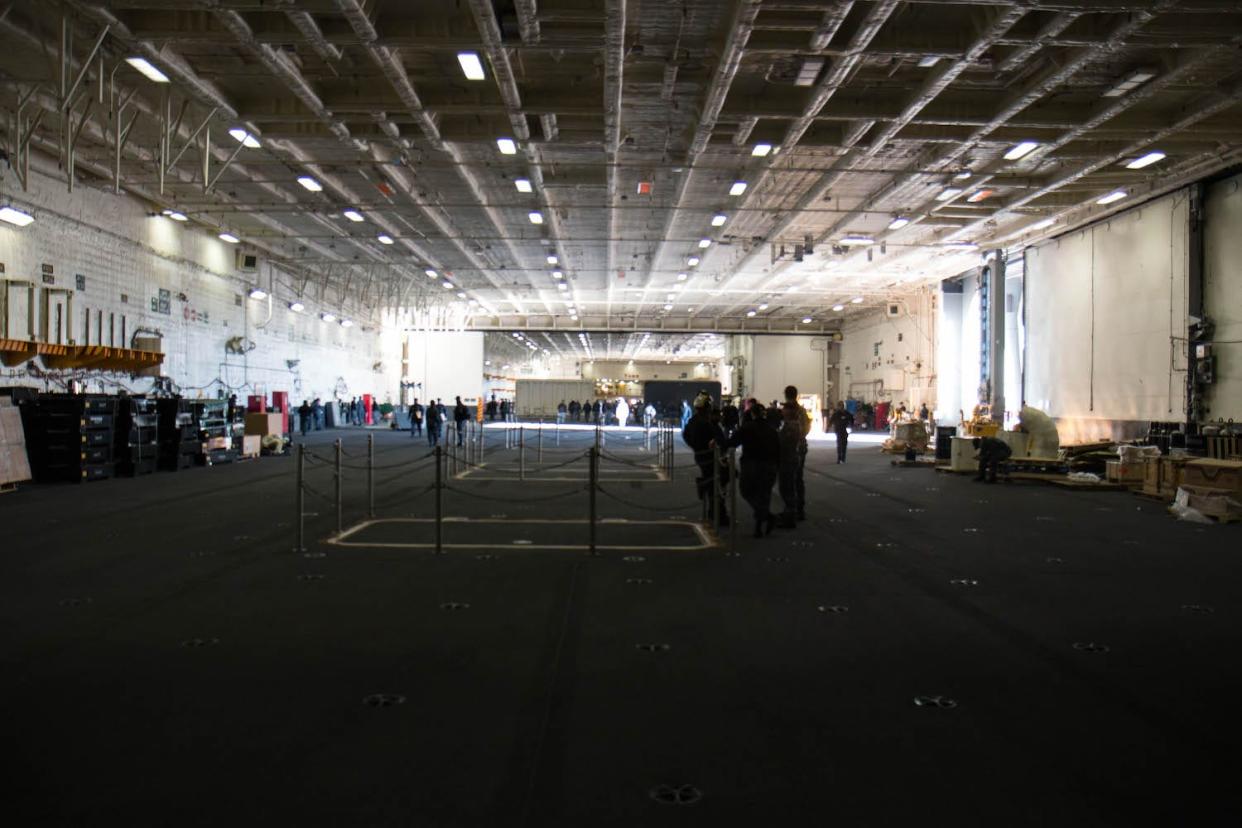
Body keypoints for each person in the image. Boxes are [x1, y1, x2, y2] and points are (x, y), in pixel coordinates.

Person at [721, 401, 780, 537]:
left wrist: (719, 444)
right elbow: (778, 449)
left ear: (752, 414)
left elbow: (732, 442)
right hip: (769, 465)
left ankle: (766, 517)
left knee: (746, 491)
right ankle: (759, 526)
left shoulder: (747, 427)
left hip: (751, 464)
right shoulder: (772, 430)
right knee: (764, 495)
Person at [682, 393, 729, 526]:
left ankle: (714, 510)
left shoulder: (693, 420)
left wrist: (696, 447)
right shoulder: (707, 423)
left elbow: (686, 435)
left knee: (713, 482)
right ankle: (718, 513)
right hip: (710, 457)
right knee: (718, 483)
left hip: (701, 456)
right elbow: (719, 441)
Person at [783, 386, 811, 520]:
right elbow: (807, 428)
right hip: (801, 447)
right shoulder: (802, 410)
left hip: (789, 449)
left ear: (786, 395)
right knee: (798, 478)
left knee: (788, 479)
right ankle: (800, 509)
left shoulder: (786, 410)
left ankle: (790, 509)